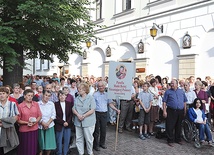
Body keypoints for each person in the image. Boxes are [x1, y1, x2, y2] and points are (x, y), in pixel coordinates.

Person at [93, 81, 120, 151]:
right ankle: (95, 145)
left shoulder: (107, 95)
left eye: (102, 86)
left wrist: (116, 109)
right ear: (97, 87)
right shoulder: (95, 95)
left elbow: (110, 104)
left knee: (103, 129)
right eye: (99, 86)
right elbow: (92, 106)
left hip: (104, 114)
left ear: (104, 86)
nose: (100, 87)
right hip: (96, 113)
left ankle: (102, 143)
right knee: (96, 130)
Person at [72, 83, 96, 155]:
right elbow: (73, 108)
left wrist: (84, 116)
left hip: (88, 121)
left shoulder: (91, 98)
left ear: (85, 90)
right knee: (79, 138)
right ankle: (81, 152)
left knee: (89, 139)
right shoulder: (77, 98)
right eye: (78, 89)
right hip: (78, 121)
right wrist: (78, 115)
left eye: (80, 89)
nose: (78, 90)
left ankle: (90, 152)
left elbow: (92, 109)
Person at [163, 79, 187, 147]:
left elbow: (184, 101)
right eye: (171, 83)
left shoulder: (181, 91)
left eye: (173, 83)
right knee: (170, 126)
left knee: (178, 126)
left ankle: (178, 139)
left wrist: (185, 110)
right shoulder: (168, 92)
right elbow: (164, 102)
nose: (171, 84)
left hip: (180, 111)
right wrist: (164, 111)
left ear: (177, 84)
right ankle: (170, 140)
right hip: (171, 111)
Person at [17, 89, 42, 155]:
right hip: (24, 130)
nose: (30, 97)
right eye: (28, 95)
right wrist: (26, 123)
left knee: (33, 147)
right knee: (24, 148)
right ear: (24, 96)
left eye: (31, 96)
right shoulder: (20, 106)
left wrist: (35, 122)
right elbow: (18, 120)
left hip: (34, 129)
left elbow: (40, 115)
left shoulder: (36, 104)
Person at [0, 87, 19, 155]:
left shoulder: (12, 104)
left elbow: (16, 117)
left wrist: (4, 123)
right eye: (0, 94)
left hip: (9, 130)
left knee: (9, 150)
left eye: (3, 93)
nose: (1, 95)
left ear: (7, 94)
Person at [54, 90, 73, 155]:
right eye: (60, 95)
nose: (62, 96)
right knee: (59, 140)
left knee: (67, 140)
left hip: (68, 124)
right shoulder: (55, 104)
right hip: (59, 124)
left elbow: (71, 114)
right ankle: (59, 152)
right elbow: (55, 116)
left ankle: (65, 152)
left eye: (63, 95)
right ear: (58, 97)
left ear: (66, 96)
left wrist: (67, 122)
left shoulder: (69, 104)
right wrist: (63, 122)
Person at [38, 90, 56, 155]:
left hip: (50, 125)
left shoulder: (51, 104)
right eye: (46, 95)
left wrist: (47, 123)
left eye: (49, 96)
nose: (47, 97)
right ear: (43, 95)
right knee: (41, 144)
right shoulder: (38, 104)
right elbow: (37, 115)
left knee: (49, 144)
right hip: (40, 126)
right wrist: (43, 123)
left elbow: (53, 115)